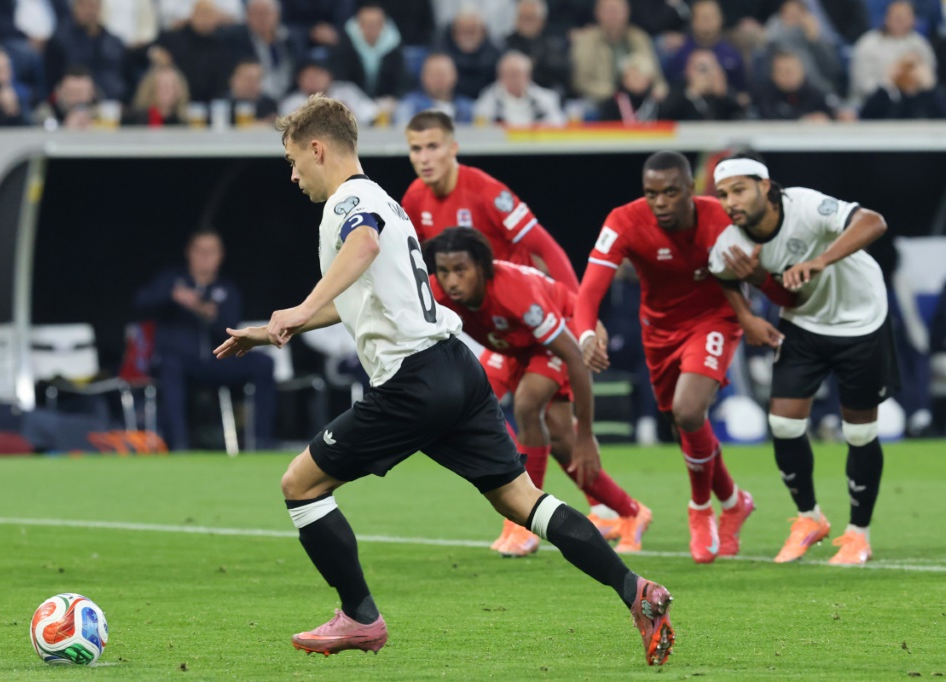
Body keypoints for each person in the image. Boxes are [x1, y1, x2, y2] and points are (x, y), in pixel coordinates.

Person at [212, 94, 675, 665]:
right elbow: (364, 297)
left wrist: (302, 307)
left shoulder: (348, 201)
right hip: (457, 366)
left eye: (292, 160)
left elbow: (363, 245)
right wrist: (277, 327)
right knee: (521, 499)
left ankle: (359, 617)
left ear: (317, 148)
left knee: (300, 486)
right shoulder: (389, 200)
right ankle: (637, 592)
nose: (292, 174)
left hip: (413, 381)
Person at [574, 151, 793, 564]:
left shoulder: (721, 219)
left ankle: (700, 509)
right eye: (652, 193)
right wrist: (587, 332)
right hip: (658, 331)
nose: (660, 202)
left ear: (690, 190)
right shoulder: (623, 221)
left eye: (671, 192)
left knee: (689, 411)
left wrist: (750, 314)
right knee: (684, 423)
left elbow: (762, 275)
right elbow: (589, 290)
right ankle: (733, 501)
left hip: (714, 319)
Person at [709, 153, 900, 566]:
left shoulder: (804, 205)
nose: (730, 202)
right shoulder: (732, 243)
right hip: (804, 323)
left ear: (764, 186)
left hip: (861, 320)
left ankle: (858, 535)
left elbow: (874, 222)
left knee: (860, 433)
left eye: (739, 190)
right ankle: (810, 518)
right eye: (722, 194)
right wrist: (747, 313)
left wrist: (820, 260)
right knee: (783, 423)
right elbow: (730, 278)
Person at [425, 228, 652, 557]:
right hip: (516, 344)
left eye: (461, 270)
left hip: (560, 331)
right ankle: (631, 512)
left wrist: (587, 434)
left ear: (483, 267)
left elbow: (573, 356)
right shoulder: (436, 293)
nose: (451, 281)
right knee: (554, 439)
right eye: (444, 271)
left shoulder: (516, 294)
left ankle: (524, 522)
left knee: (528, 406)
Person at [401, 110, 579, 291]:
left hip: (518, 298)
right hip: (468, 303)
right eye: (416, 149)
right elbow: (405, 257)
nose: (424, 159)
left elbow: (547, 248)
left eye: (433, 147)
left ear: (453, 148)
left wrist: (577, 310)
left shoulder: (487, 192)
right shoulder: (414, 198)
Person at [135, 230, 277, 451]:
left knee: (263, 363)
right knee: (170, 365)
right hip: (182, 363)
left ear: (220, 255)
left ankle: (262, 442)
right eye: (199, 251)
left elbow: (230, 327)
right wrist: (172, 296)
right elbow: (141, 304)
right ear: (189, 253)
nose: (204, 257)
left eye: (211, 252)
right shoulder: (172, 280)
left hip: (216, 360)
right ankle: (179, 445)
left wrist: (207, 314)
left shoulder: (227, 289)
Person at [43, 0, 127, 102]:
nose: (89, 11)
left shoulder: (114, 42)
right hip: (72, 105)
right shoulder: (59, 41)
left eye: (93, 5)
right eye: (83, 5)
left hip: (111, 102)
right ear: (74, 7)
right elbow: (51, 81)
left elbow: (123, 77)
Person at [474, 50, 566, 126]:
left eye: (517, 74)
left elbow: (558, 127)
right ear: (499, 76)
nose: (513, 79)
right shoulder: (487, 101)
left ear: (528, 76)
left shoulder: (546, 99)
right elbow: (482, 131)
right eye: (508, 74)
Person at [395, 52, 476, 124]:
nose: (439, 79)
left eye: (443, 74)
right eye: (434, 75)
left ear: (454, 76)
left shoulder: (467, 108)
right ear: (423, 77)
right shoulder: (408, 107)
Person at [32, 65, 99, 130]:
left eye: (81, 93)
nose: (77, 98)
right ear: (58, 92)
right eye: (71, 92)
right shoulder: (45, 112)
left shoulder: (102, 113)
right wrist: (65, 126)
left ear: (92, 93)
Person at [124, 64, 189, 125]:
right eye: (163, 86)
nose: (167, 91)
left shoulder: (185, 123)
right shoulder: (135, 121)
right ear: (151, 89)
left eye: (172, 86)